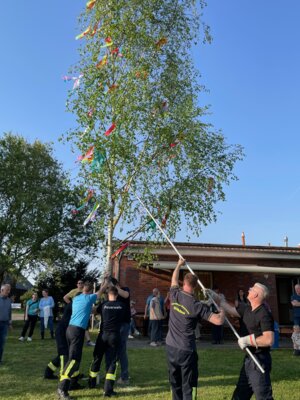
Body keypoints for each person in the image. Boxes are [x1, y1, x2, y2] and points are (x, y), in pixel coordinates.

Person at [166, 259, 225, 400]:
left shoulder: (175, 295)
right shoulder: (197, 305)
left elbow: (173, 279)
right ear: (195, 287)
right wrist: (221, 307)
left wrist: (179, 264)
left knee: (175, 382)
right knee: (188, 384)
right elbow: (218, 321)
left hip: (171, 347)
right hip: (186, 350)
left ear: (184, 283)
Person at [217, 282, 274, 400]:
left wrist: (247, 340)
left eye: (252, 289)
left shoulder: (264, 314)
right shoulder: (247, 309)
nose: (249, 289)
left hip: (259, 360)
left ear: (257, 295)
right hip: (249, 360)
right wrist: (217, 298)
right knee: (239, 396)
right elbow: (230, 309)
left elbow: (269, 339)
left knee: (263, 397)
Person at [57, 281, 106, 400]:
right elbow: (101, 291)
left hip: (70, 329)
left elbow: (89, 309)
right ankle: (62, 388)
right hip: (77, 331)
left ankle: (73, 384)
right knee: (74, 360)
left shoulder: (77, 299)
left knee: (73, 358)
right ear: (89, 291)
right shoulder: (89, 298)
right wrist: (106, 281)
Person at [88, 285, 125, 397]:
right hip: (114, 336)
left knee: (97, 358)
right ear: (117, 295)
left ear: (108, 295)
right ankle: (108, 390)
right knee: (112, 361)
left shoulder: (103, 304)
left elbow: (93, 311)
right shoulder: (122, 306)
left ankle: (91, 383)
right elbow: (125, 319)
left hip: (102, 336)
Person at [63, 280, 95, 347]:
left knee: (85, 326)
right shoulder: (74, 291)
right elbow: (65, 297)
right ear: (77, 284)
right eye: (79, 283)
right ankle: (85, 340)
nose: (80, 284)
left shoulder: (85, 292)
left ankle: (88, 340)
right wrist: (71, 305)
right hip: (77, 312)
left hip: (84, 311)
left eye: (82, 283)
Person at [0, 284, 12, 364]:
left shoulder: (9, 300)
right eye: (7, 290)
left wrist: (10, 323)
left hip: (4, 324)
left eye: (9, 290)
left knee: (1, 343)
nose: (8, 291)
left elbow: (9, 313)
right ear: (1, 290)